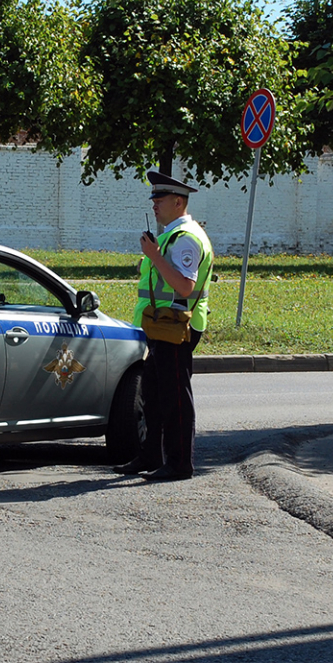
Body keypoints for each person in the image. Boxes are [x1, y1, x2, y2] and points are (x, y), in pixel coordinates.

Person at [114, 169, 214, 481]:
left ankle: (179, 463)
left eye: (159, 199)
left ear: (177, 202)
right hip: (162, 326)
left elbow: (185, 287)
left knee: (174, 399)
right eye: (154, 198)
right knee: (154, 396)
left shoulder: (186, 238)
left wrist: (155, 256)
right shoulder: (174, 234)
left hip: (177, 327)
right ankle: (149, 457)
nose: (154, 204)